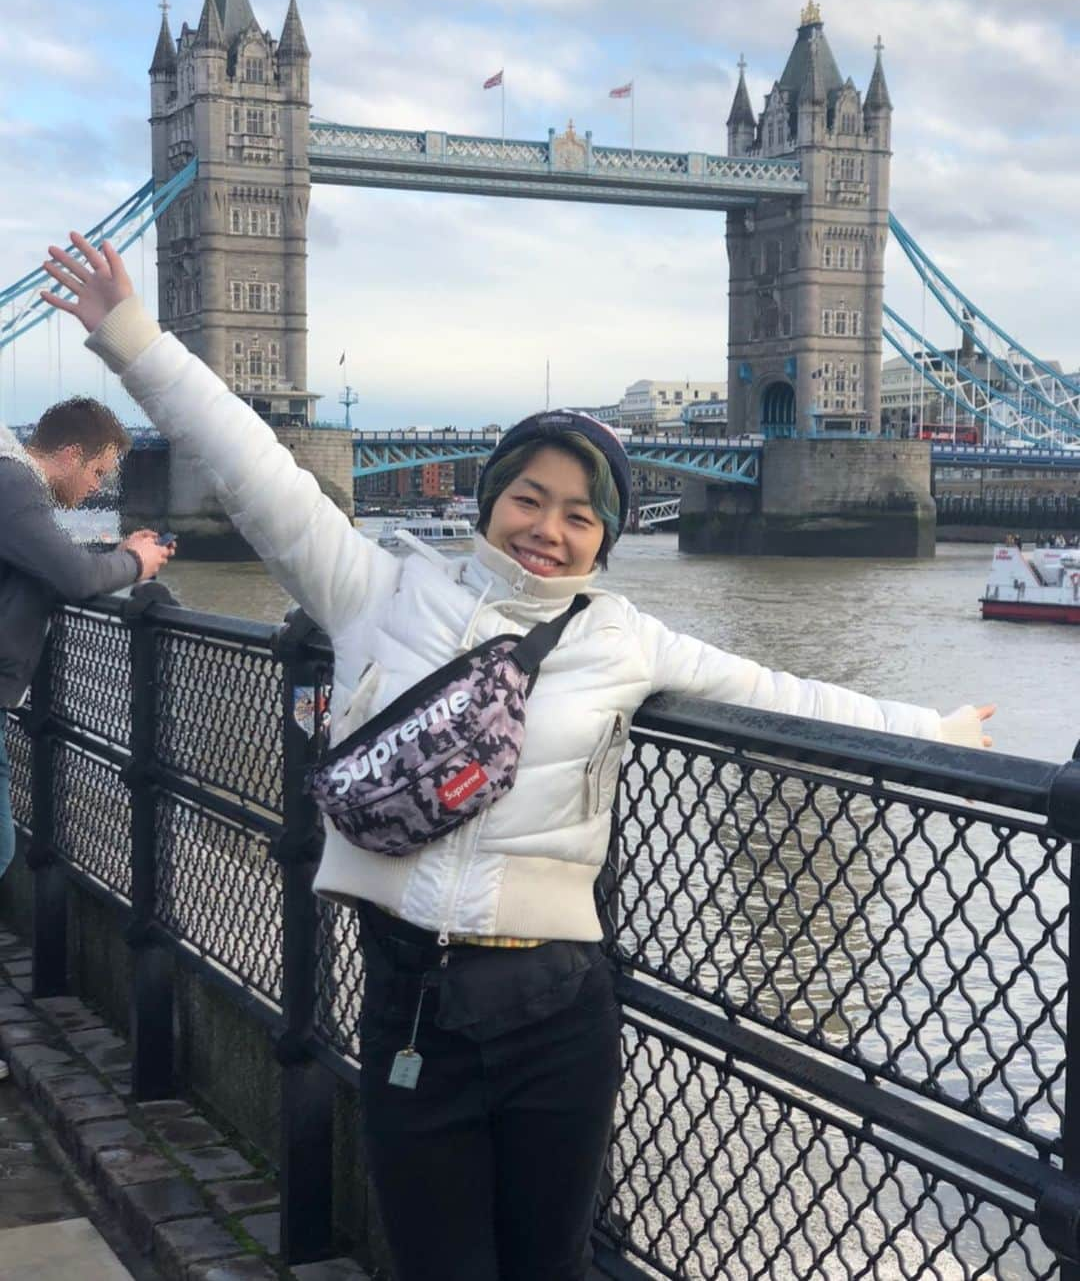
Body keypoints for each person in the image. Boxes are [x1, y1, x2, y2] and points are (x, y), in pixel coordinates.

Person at [42, 234, 994, 1281]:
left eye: (581, 516)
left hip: (558, 1009)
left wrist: (935, 735)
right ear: (494, 498)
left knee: (550, 1267)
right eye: (529, 498)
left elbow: (786, 695)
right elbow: (249, 460)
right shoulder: (375, 590)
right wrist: (133, 337)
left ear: (607, 537)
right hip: (412, 998)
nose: (548, 529)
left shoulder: (625, 638)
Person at [0, 396, 174, 1080]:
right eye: (98, 472)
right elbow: (71, 579)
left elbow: (46, 564)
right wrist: (133, 564)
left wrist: (114, 553)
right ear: (69, 455)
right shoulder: (15, 483)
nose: (98, 488)